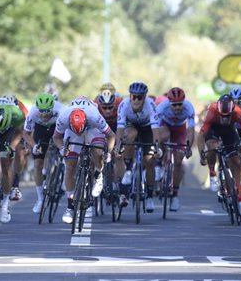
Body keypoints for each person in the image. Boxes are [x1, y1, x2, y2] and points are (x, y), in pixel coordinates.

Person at [52, 96, 115, 224]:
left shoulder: (94, 116)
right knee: (70, 166)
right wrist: (62, 149)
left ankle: (98, 175)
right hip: (72, 131)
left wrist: (107, 152)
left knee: (97, 151)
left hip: (92, 128)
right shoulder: (63, 118)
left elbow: (111, 135)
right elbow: (56, 138)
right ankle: (70, 205)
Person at [197, 94, 241, 216]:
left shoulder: (238, 112)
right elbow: (201, 136)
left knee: (237, 162)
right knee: (212, 146)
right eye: (223, 116)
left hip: (229, 132)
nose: (225, 118)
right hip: (214, 129)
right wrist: (202, 154)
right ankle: (212, 173)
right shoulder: (212, 111)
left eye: (228, 116)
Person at [115, 82, 162, 212]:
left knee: (150, 161)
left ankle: (150, 196)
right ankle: (129, 170)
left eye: (139, 97)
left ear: (145, 97)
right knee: (130, 136)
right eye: (133, 97)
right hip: (132, 126)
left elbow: (155, 130)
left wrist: (157, 147)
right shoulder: (124, 105)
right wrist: (118, 145)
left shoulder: (151, 106)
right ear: (130, 96)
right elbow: (120, 128)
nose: (136, 100)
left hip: (147, 128)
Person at [22, 93, 63, 213]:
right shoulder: (33, 113)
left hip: (58, 128)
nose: (44, 114)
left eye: (47, 111)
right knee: (37, 163)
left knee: (66, 154)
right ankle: (40, 199)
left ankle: (62, 171)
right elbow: (26, 134)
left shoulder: (61, 110)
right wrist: (34, 146)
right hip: (41, 129)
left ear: (52, 107)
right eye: (42, 111)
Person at [94, 87, 124, 197]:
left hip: (116, 125)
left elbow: (123, 125)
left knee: (118, 153)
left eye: (110, 107)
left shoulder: (120, 103)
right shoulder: (95, 105)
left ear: (114, 105)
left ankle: (117, 182)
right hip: (101, 125)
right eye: (104, 108)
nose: (107, 110)